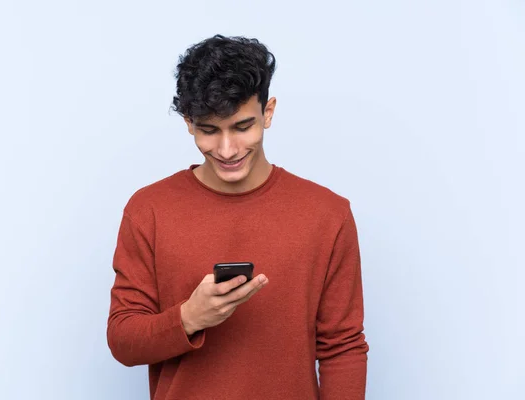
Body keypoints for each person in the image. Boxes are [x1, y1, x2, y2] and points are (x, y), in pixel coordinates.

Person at [107, 34, 369, 400]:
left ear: (269, 112)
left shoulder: (328, 214)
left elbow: (342, 346)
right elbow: (122, 341)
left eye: (243, 127)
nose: (227, 149)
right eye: (209, 130)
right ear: (188, 123)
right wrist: (189, 318)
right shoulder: (148, 210)